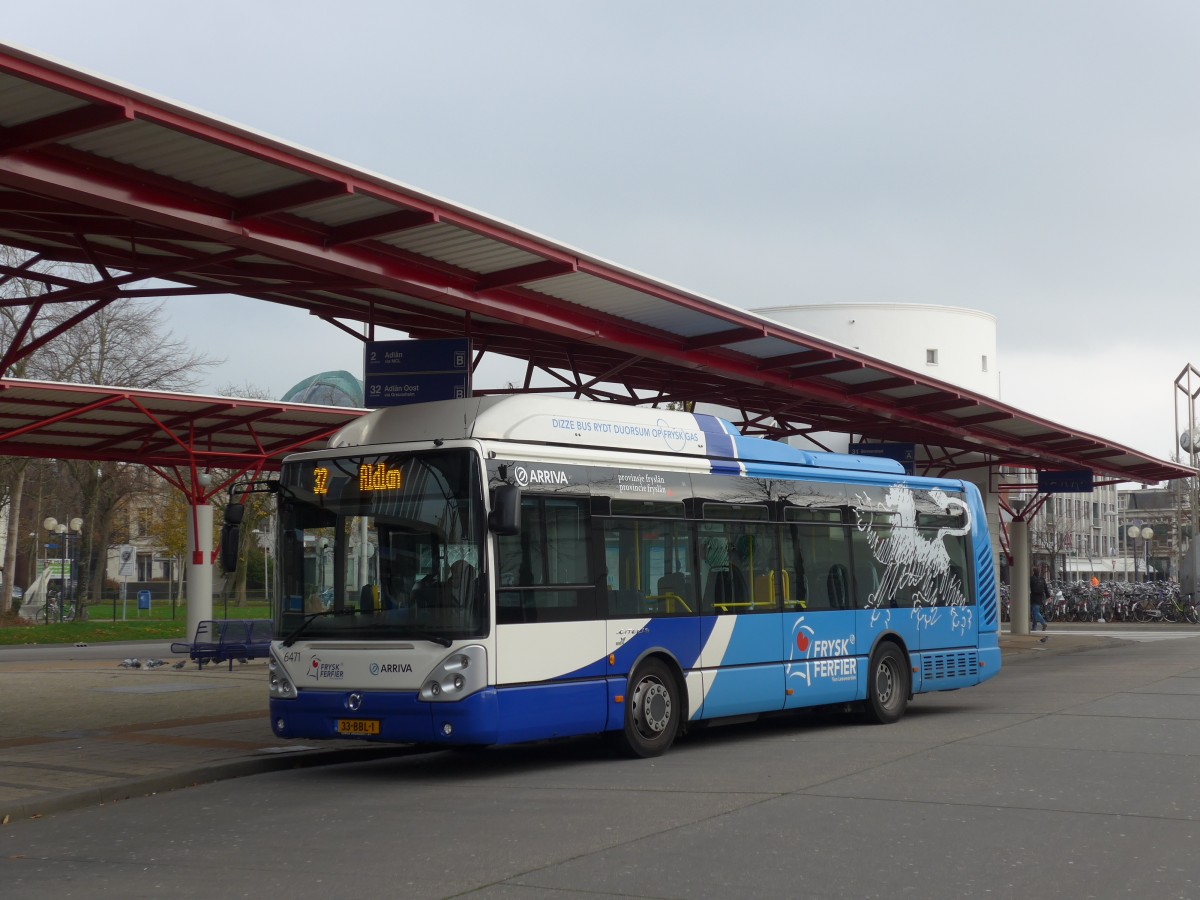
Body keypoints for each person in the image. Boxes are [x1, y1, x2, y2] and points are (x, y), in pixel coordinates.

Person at [1029, 566, 1049, 634]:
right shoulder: (1042, 579)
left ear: (1033, 572)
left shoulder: (1031, 579)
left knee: (1036, 611)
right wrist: (1048, 596)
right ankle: (1034, 626)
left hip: (1034, 596)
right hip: (1040, 597)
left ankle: (1043, 623)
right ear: (1039, 572)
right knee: (1035, 611)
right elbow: (1046, 588)